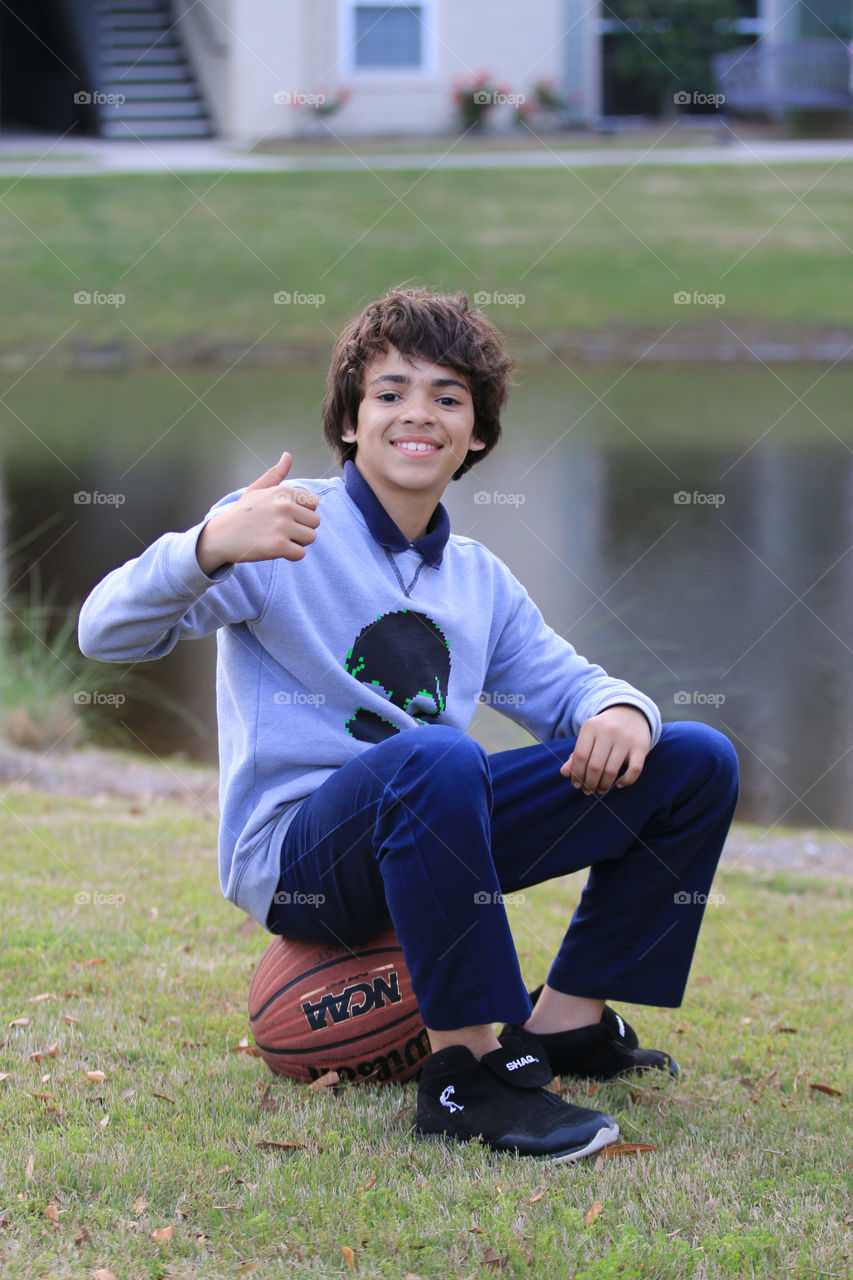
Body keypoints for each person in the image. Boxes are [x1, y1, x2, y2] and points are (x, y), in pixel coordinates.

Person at [78, 286, 739, 1164]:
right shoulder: (280, 530)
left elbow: (564, 685)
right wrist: (206, 545)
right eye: (389, 393)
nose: (415, 415)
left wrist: (616, 708)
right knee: (433, 754)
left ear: (476, 434)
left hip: (432, 821)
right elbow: (102, 633)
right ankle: (466, 1074)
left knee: (690, 757)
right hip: (301, 856)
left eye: (447, 397)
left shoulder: (477, 577)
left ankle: (568, 1022)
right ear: (350, 421)